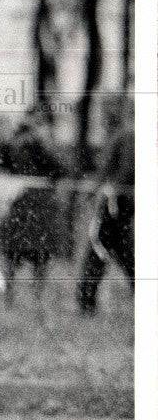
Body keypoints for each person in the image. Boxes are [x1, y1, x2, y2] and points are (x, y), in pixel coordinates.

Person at [76, 97, 134, 315]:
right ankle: (86, 301)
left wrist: (110, 190)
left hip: (116, 205)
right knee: (121, 252)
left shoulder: (125, 135)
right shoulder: (119, 135)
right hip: (118, 203)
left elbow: (124, 170)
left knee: (99, 249)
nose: (104, 116)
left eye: (109, 110)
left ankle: (86, 301)